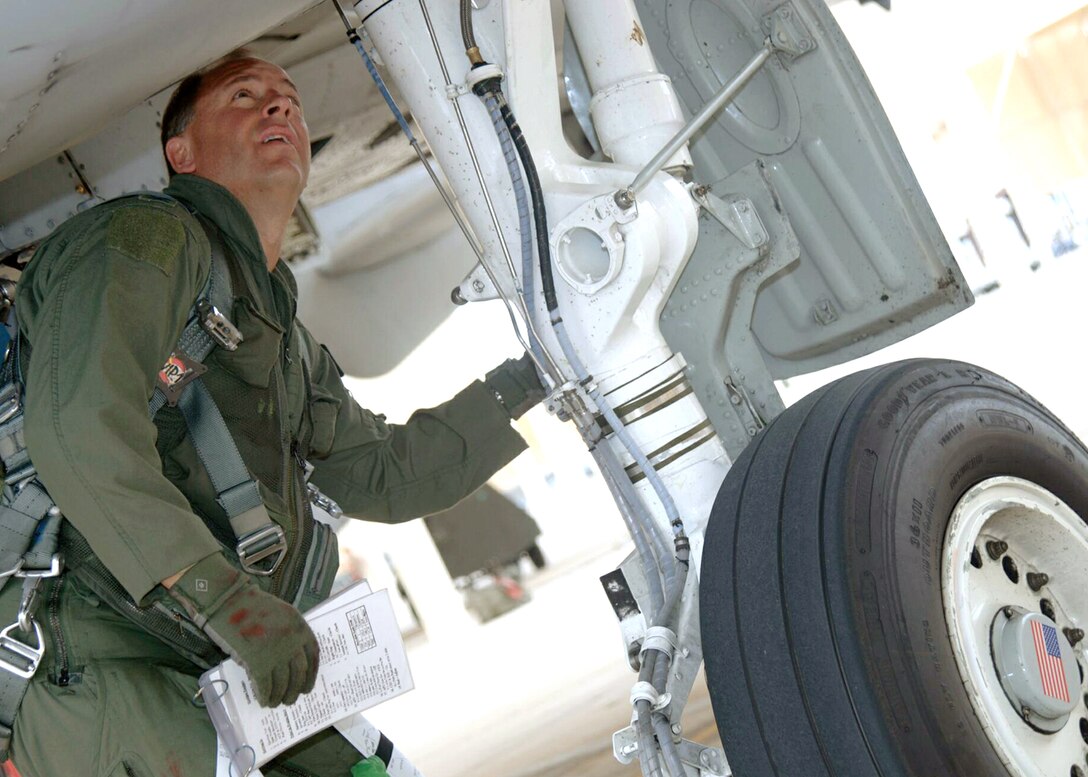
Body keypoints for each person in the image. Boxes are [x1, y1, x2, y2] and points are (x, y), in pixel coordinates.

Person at [1, 52, 545, 776]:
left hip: (204, 650)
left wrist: (533, 374)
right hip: (92, 649)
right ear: (180, 152)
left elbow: (382, 473)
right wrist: (230, 602)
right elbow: (76, 430)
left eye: (289, 99)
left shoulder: (274, 329)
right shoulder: (140, 241)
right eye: (245, 96)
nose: (279, 108)